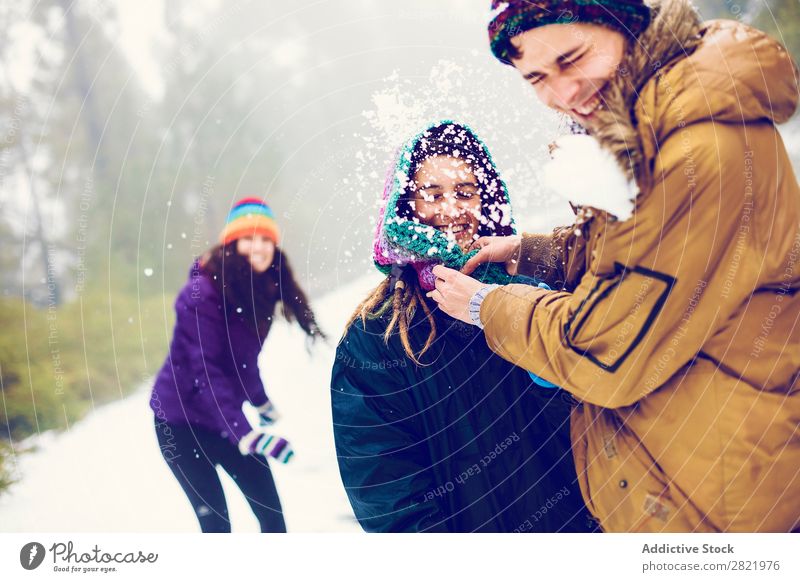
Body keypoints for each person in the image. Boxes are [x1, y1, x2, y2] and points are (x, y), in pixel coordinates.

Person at [427, 0, 800, 531]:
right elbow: (652, 259)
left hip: (728, 503)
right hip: (702, 477)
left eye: (574, 57)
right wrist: (537, 253)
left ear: (624, 21)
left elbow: (607, 352)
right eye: (537, 76)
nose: (564, 93)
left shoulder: (695, 148)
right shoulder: (653, 120)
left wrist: (489, 304)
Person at [331, 121, 597, 533]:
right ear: (405, 205)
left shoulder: (533, 293)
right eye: (432, 194)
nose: (451, 209)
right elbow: (386, 494)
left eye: (465, 192)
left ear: (486, 198)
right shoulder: (376, 336)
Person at [150, 198, 325, 532]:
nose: (258, 248)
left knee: (273, 518)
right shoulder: (202, 293)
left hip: (222, 416)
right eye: (249, 238)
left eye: (265, 239)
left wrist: (260, 401)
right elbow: (206, 373)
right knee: (217, 527)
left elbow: (243, 362)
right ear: (231, 244)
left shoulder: (261, 289)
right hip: (180, 424)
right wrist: (244, 434)